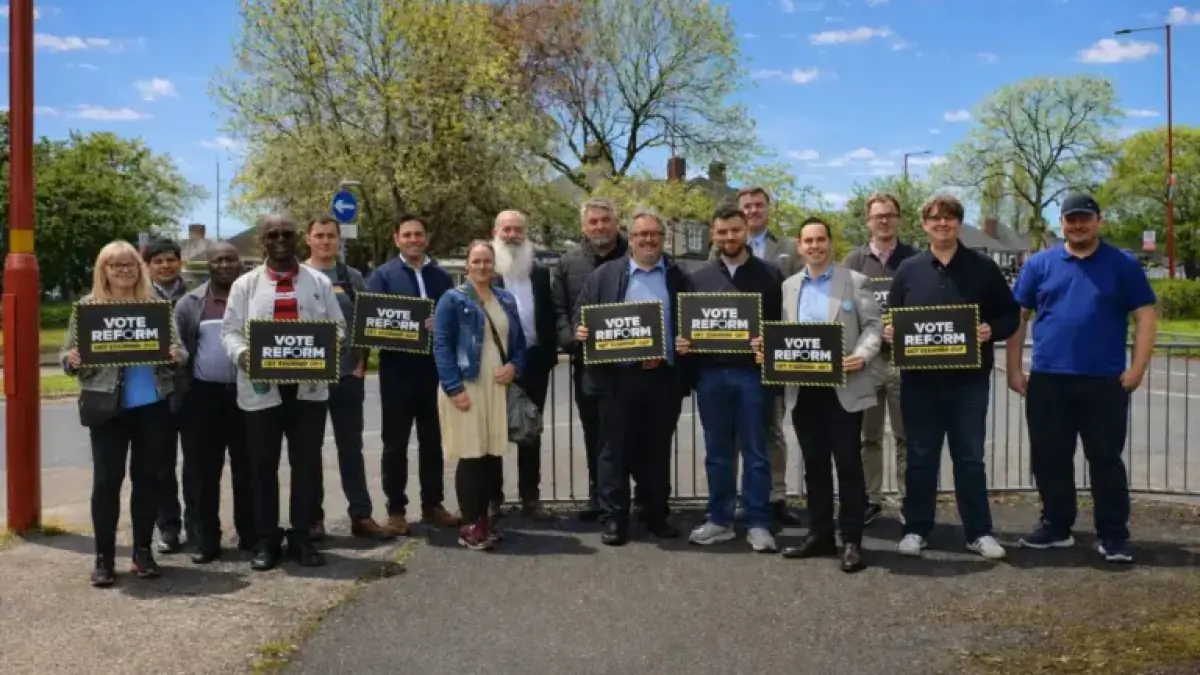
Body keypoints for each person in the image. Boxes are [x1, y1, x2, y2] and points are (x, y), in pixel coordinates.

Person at [1007, 193, 1156, 564]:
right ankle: (1056, 527)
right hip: (1048, 380)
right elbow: (1018, 317)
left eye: (1085, 219)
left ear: (1098, 221)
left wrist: (1137, 368)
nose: (1078, 225)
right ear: (1061, 224)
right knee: (1050, 459)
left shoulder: (1123, 264)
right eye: (1071, 219)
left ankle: (1114, 535)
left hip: (1104, 381)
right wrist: (1013, 368)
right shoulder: (1039, 264)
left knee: (1105, 459)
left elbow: (1146, 315)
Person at [885, 195, 1019, 560]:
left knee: (970, 459)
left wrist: (991, 329)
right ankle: (916, 529)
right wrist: (890, 331)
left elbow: (1010, 315)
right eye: (935, 218)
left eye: (949, 218)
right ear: (924, 224)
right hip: (919, 383)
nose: (942, 224)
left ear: (959, 223)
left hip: (968, 382)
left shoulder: (984, 267)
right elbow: (891, 317)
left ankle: (979, 532)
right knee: (920, 457)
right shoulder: (908, 270)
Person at [221, 213, 344, 570]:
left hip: (308, 392)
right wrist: (244, 355)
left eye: (286, 234)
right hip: (262, 391)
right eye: (272, 235)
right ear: (262, 241)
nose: (279, 241)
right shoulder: (245, 285)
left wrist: (328, 347)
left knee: (306, 465)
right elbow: (230, 332)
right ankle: (267, 539)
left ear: (297, 238)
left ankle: (302, 537)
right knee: (262, 467)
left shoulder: (319, 282)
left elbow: (337, 327)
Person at [62, 240, 186, 587]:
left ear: (139, 268)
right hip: (107, 407)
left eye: (129, 264)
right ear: (103, 270)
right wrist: (72, 360)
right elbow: (66, 355)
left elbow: (181, 351)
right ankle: (104, 557)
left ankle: (142, 552)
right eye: (115, 265)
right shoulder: (87, 308)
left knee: (147, 480)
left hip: (151, 405)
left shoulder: (156, 306)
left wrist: (175, 355)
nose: (123, 270)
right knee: (106, 482)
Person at [573, 207, 692, 546]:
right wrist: (581, 331)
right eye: (641, 235)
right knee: (613, 451)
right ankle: (614, 518)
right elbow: (582, 314)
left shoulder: (679, 277)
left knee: (656, 450)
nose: (647, 240)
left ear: (662, 238)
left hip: (662, 378)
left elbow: (692, 321)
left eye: (654, 234)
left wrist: (688, 340)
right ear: (631, 238)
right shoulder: (605, 275)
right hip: (617, 378)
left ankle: (655, 514)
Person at [777, 218, 881, 573]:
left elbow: (873, 327)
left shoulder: (854, 281)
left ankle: (851, 540)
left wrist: (862, 355)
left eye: (820, 239)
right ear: (799, 246)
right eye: (808, 241)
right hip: (804, 389)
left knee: (848, 464)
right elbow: (781, 334)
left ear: (830, 243)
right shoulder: (789, 286)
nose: (815, 246)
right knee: (814, 465)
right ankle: (820, 534)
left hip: (844, 387)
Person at [681, 205, 780, 553]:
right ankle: (719, 520)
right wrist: (684, 342)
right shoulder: (698, 278)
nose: (729, 237)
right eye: (722, 232)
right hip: (711, 375)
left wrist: (768, 343)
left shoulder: (771, 275)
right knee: (717, 453)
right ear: (713, 235)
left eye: (735, 230)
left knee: (756, 453)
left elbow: (781, 326)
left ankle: (757, 522)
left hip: (753, 376)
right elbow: (689, 327)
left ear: (746, 230)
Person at [711, 187, 804, 526]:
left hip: (770, 359)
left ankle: (775, 496)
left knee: (772, 431)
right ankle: (741, 499)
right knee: (735, 438)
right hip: (728, 359)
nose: (752, 211)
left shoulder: (788, 249)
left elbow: (795, 299)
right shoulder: (716, 254)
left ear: (768, 208)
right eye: (746, 206)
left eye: (758, 205)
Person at [433, 241, 529, 549]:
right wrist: (454, 388)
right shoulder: (452, 299)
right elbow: (441, 345)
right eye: (476, 261)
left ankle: (486, 521)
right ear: (467, 265)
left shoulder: (506, 299)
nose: (482, 266)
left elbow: (520, 344)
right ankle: (469, 526)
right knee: (472, 454)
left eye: (487, 261)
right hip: (467, 383)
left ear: (494, 265)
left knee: (490, 456)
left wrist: (515, 366)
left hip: (497, 386)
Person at [366, 215, 459, 534]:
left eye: (418, 234)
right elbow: (372, 324)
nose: (413, 240)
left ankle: (433, 505)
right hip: (397, 371)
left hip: (434, 370)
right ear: (397, 239)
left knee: (432, 441)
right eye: (407, 235)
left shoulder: (441, 277)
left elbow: (454, 318)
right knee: (395, 444)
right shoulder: (382, 276)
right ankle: (396, 510)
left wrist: (441, 323)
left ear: (426, 238)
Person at [304, 215, 391, 541]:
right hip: (309, 379)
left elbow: (366, 323)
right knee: (309, 451)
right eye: (319, 235)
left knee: (351, 449)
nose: (326, 241)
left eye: (331, 235)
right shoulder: (297, 276)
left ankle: (361, 515)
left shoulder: (352, 278)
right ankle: (312, 518)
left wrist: (361, 365)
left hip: (347, 376)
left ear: (339, 239)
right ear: (308, 239)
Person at [173, 243, 255, 563]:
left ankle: (251, 535)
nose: (224, 264)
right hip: (202, 397)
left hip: (248, 394)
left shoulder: (254, 298)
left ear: (240, 263)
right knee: (202, 473)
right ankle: (205, 539)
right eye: (217, 260)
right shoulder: (190, 303)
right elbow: (179, 349)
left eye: (230, 259)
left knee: (248, 468)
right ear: (208, 265)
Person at [553, 198, 631, 521]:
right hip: (588, 364)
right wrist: (571, 337)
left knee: (634, 433)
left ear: (616, 222)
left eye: (605, 220)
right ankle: (598, 496)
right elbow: (559, 310)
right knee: (594, 432)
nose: (600, 227)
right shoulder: (567, 262)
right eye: (593, 222)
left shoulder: (634, 255)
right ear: (583, 227)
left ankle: (636, 499)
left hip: (632, 364)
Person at [842, 192, 917, 523]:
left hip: (905, 362)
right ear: (868, 221)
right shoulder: (852, 262)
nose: (884, 220)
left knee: (906, 436)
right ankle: (870, 498)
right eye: (878, 216)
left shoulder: (914, 259)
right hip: (867, 364)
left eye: (889, 215)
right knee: (867, 437)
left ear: (898, 219)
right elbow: (843, 311)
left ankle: (907, 499)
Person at [491, 210, 557, 520]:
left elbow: (549, 314)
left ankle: (531, 498)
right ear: (495, 233)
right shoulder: (486, 271)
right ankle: (493, 499)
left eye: (518, 230)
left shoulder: (539, 273)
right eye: (507, 229)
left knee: (531, 431)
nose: (512, 235)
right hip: (496, 364)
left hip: (534, 362)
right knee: (494, 432)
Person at [144, 237, 195, 553]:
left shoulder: (197, 294)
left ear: (180, 262)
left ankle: (197, 526)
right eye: (158, 261)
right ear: (148, 266)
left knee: (196, 465)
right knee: (161, 465)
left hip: (193, 390)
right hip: (156, 393)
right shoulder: (138, 297)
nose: (165, 266)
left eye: (170, 259)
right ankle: (169, 528)